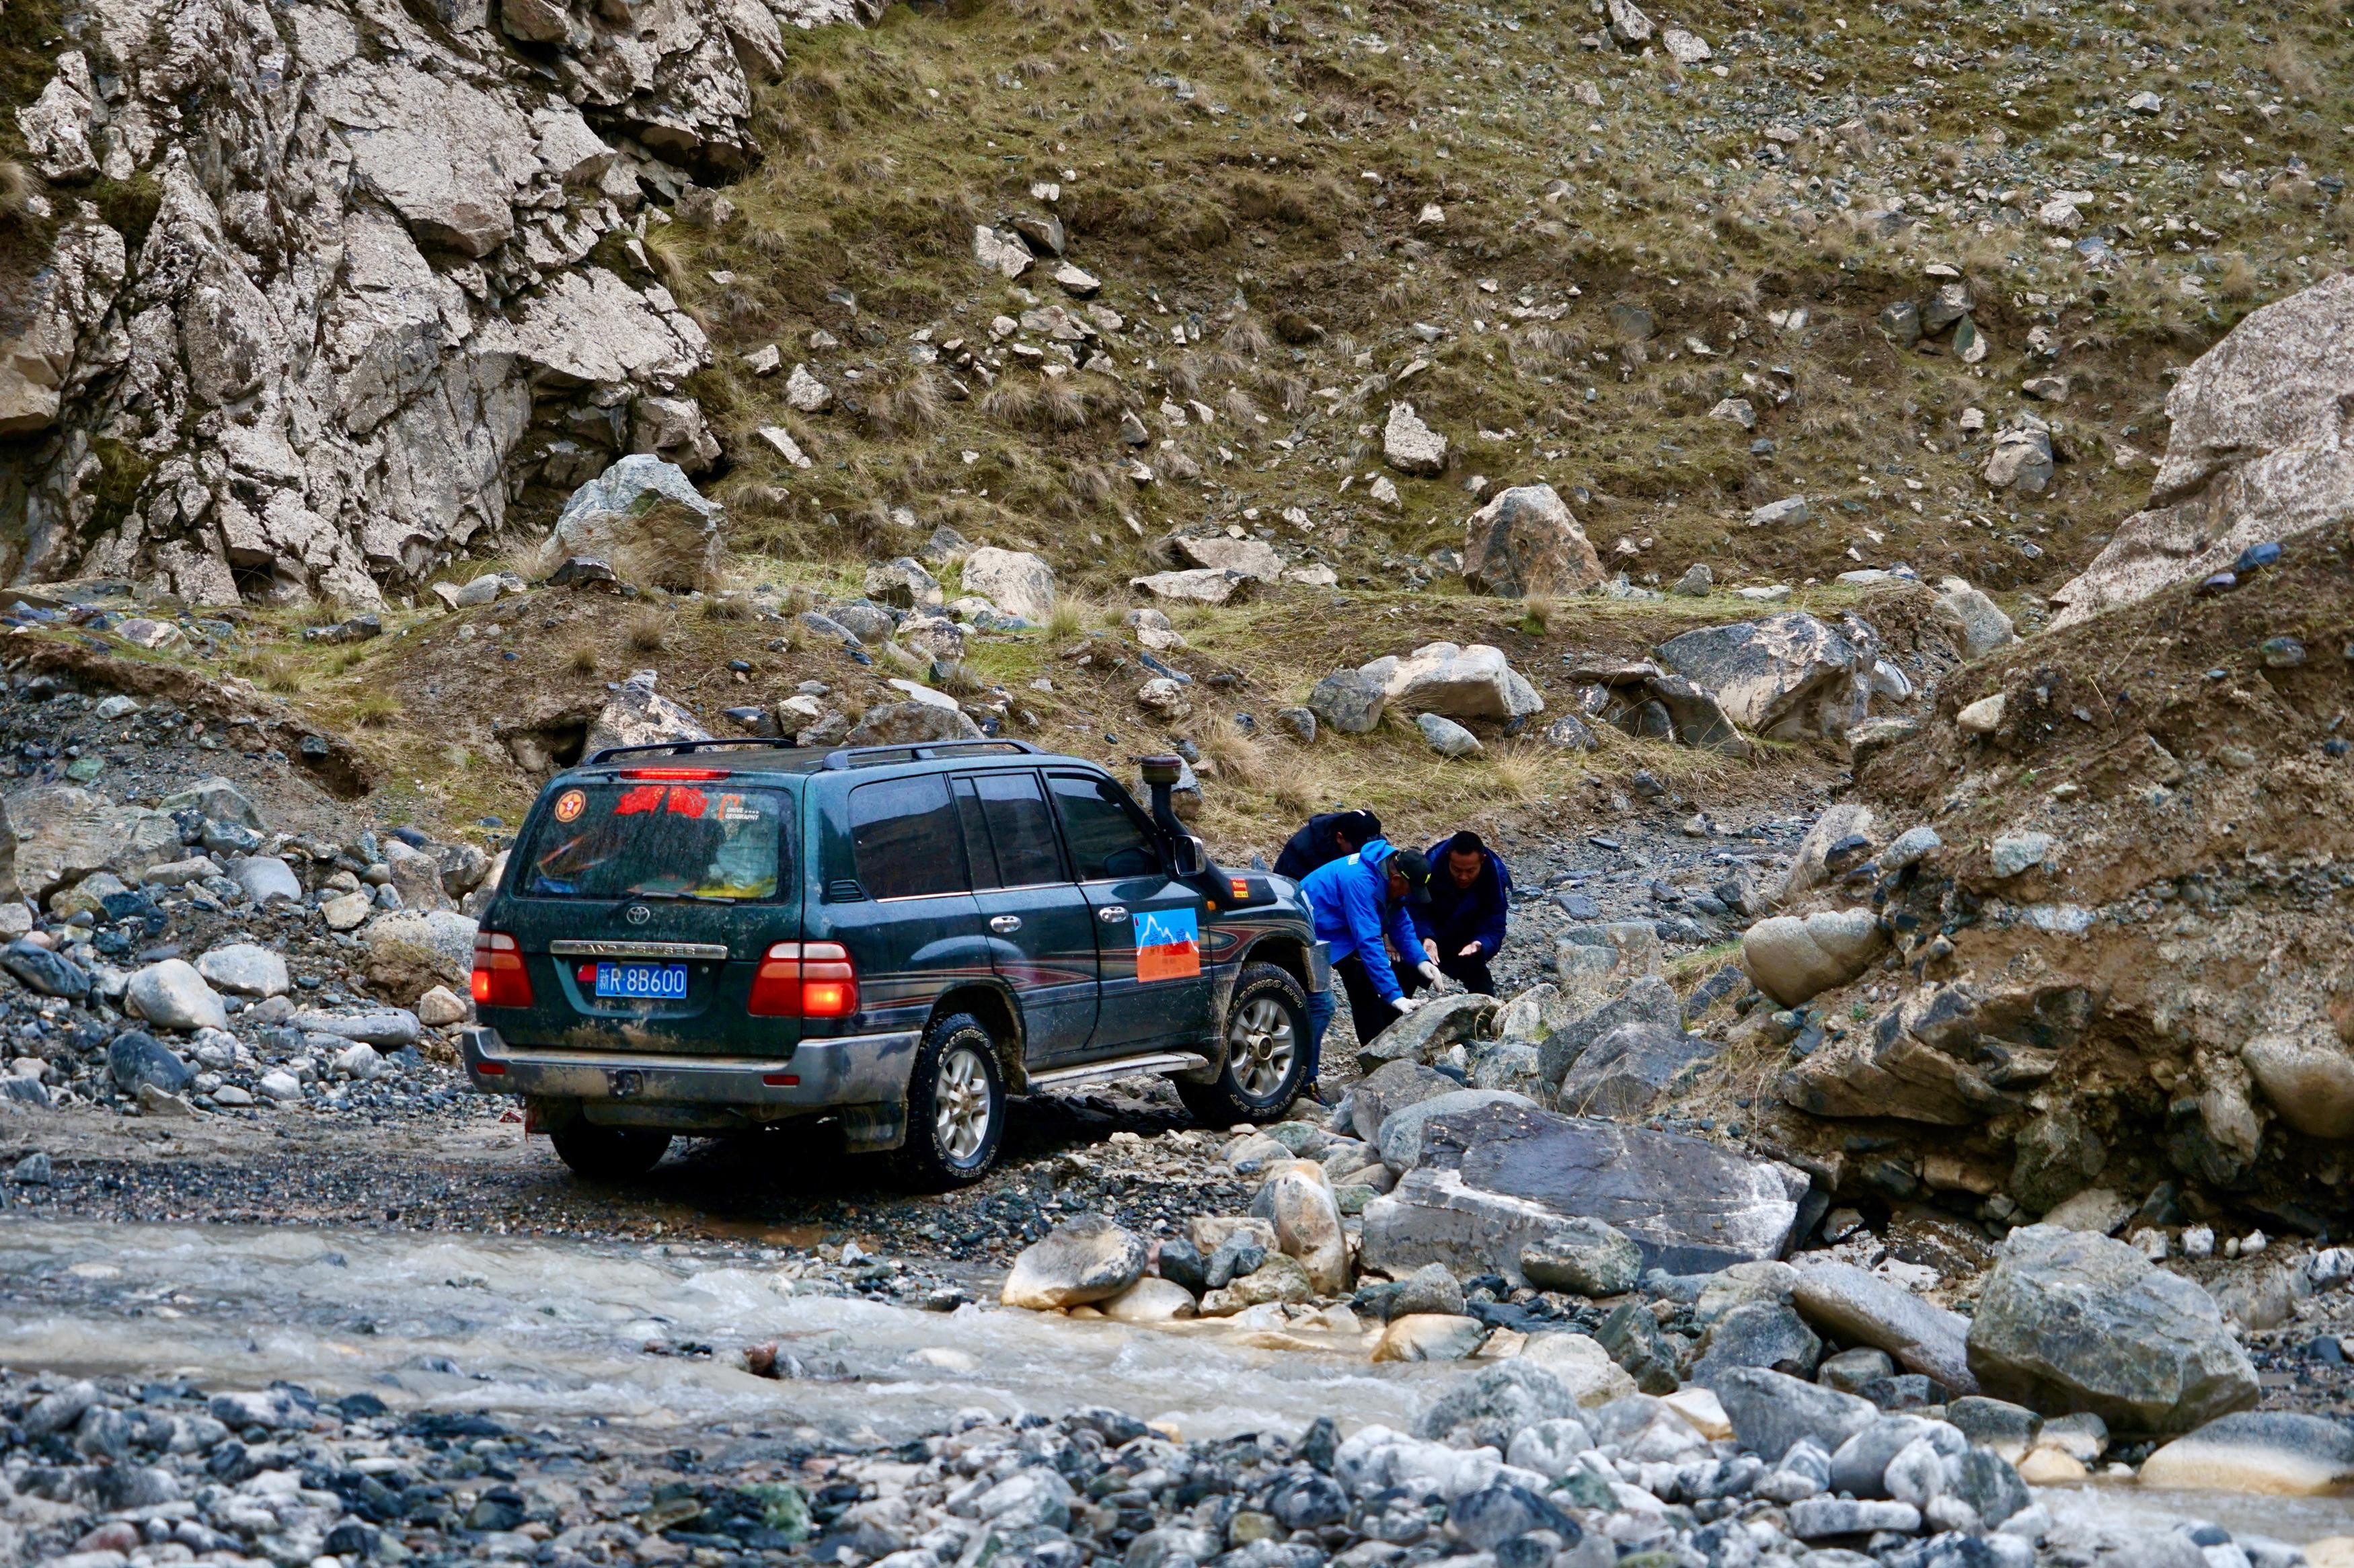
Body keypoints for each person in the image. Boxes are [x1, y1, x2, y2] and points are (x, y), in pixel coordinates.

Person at [1297, 838, 1441, 1080]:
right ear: (1397, 880)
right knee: (1321, 1006)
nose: (1410, 895)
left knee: (1363, 982)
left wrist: (1420, 960)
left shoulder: (1389, 870)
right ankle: (1309, 1079)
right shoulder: (1361, 881)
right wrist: (1395, 996)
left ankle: (1377, 1060)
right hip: (1312, 929)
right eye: (1410, 889)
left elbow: (1399, 920)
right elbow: (1369, 940)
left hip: (1338, 926)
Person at [1405, 830, 1512, 996]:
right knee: (1403, 970)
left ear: (1482, 861)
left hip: (1466, 944)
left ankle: (1483, 1021)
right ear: (1449, 857)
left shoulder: (1495, 877)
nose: (1463, 877)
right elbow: (1413, 911)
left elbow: (1495, 925)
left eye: (1470, 871)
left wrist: (1480, 944)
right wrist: (1426, 936)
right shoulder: (1430, 867)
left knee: (1483, 987)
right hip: (1429, 937)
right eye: (1456, 869)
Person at [1272, 809, 1383, 884]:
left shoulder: (1366, 836)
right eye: (1357, 849)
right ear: (1340, 838)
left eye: (1371, 847)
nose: (1364, 854)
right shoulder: (1303, 849)